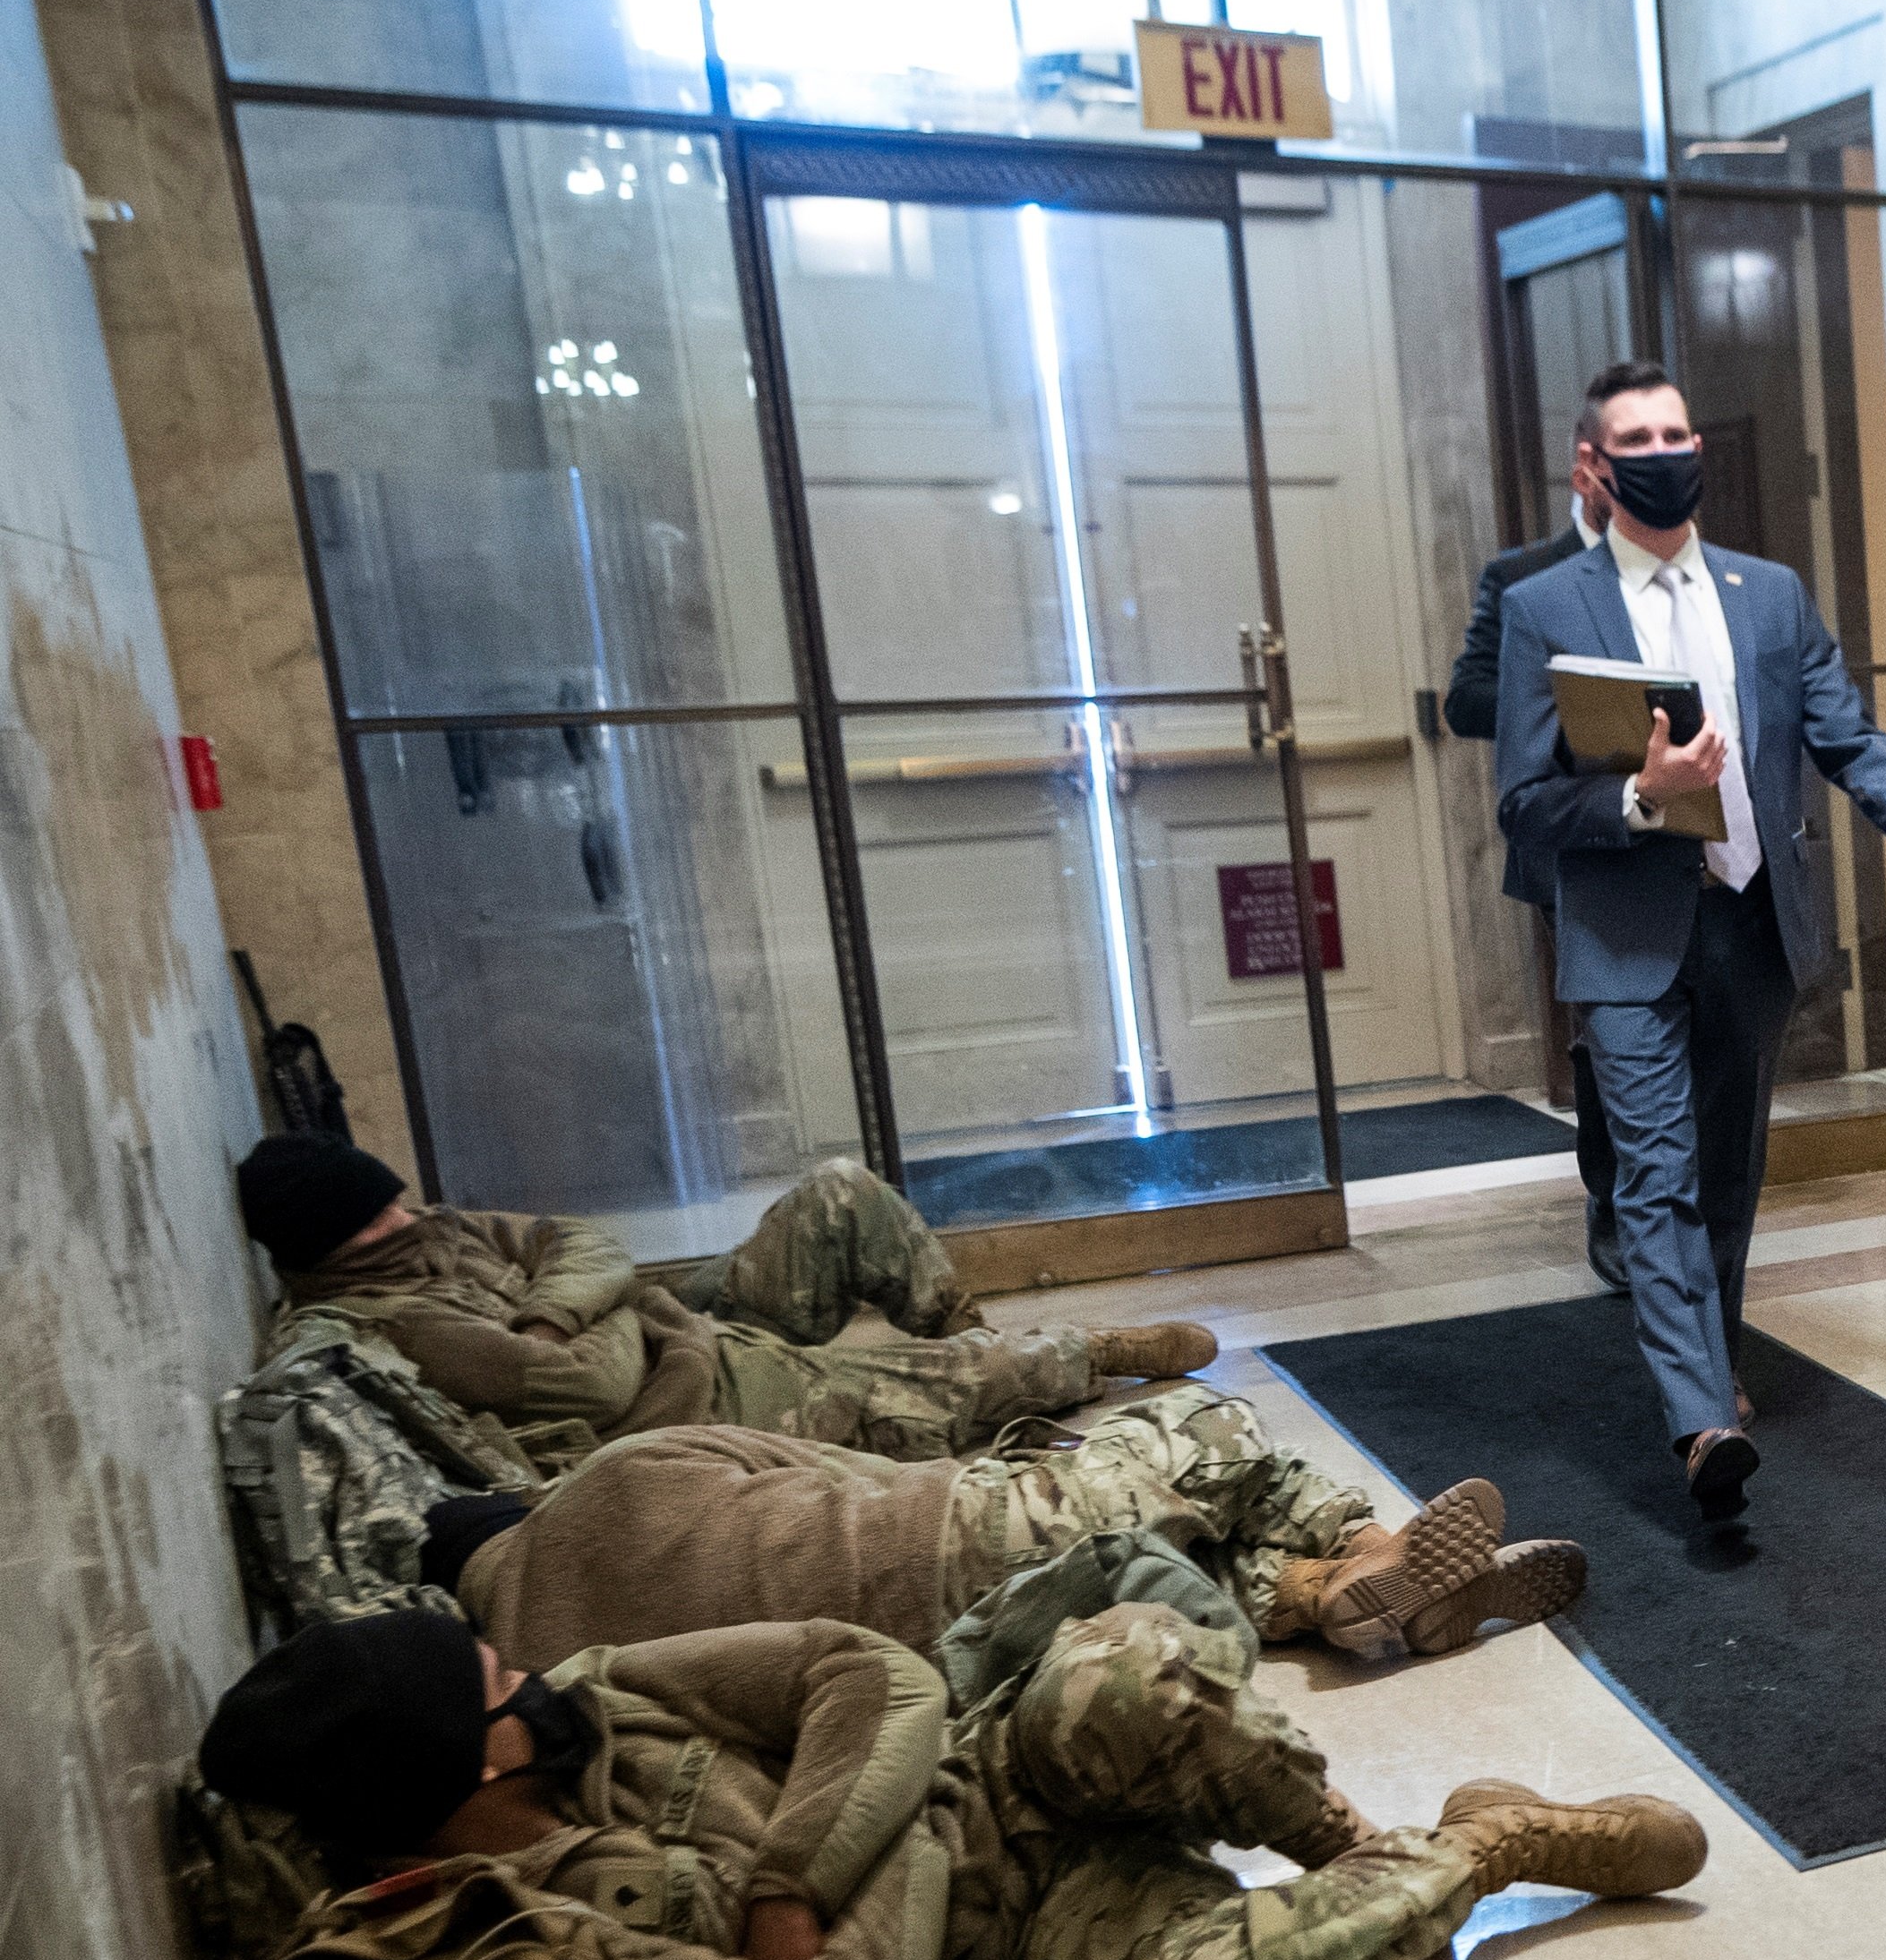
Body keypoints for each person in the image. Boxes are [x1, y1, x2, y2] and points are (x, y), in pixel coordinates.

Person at [199, 1605, 1702, 1960]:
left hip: (998, 1770)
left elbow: (867, 1673)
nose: (529, 1674)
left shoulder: (603, 1697)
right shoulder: (535, 1940)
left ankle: (1356, 1849)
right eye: (494, 1690)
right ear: (474, 1767)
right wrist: (895, 1831)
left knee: (1130, 1666)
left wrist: (797, 1874)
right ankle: (1484, 1854)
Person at [1494, 361, 1886, 1520]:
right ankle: (1699, 1413)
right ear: (1597, 468)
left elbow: (1843, 731)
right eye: (1637, 437)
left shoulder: (1768, 595)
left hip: (1750, 922)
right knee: (1653, 1176)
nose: (1666, 449)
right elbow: (1521, 799)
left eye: (1677, 428)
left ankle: (1710, 1355)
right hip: (1626, 932)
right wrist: (1643, 798)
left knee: (1726, 1170)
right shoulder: (1543, 609)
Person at [440, 1385, 1583, 1673]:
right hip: (942, 1529)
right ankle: (1369, 1540)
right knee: (1204, 1425)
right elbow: (828, 1467)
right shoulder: (608, 1483)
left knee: (1159, 1568)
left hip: (954, 1657)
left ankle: (1315, 1598)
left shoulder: (554, 1672)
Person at [239, 1141, 1207, 1466]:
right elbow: (586, 1385)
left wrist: (565, 1303)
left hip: (683, 1330)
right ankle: (1065, 1362)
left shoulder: (430, 1232)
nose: (411, 1214)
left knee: (840, 1195)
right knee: (918, 1392)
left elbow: (581, 1243)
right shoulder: (397, 1323)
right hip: (686, 1403)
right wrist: (609, 1312)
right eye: (383, 1216)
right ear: (340, 1244)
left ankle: (984, 1357)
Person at [1444, 447, 1622, 1285]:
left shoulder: (1688, 570)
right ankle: (1615, 1199)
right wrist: (1562, 694)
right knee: (1610, 1032)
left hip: (1679, 834)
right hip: (1569, 840)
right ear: (1583, 475)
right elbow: (1467, 699)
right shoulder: (1522, 579)